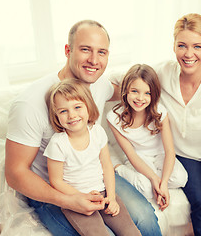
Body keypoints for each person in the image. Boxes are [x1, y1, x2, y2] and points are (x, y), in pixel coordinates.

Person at [5, 20, 161, 236]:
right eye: (85, 49)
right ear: (68, 50)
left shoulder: (99, 83)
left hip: (96, 177)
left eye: (102, 52)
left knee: (143, 218)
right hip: (53, 188)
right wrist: (68, 200)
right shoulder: (29, 103)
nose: (94, 60)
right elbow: (14, 173)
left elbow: (128, 90)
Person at [111, 13, 201, 236]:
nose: (189, 54)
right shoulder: (163, 73)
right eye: (182, 46)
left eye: (197, 46)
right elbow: (125, 78)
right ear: (174, 46)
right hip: (186, 157)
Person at [44, 79, 141, 236]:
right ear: (55, 115)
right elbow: (56, 181)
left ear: (88, 106)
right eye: (63, 111)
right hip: (75, 199)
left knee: (131, 232)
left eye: (77, 107)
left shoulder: (97, 132)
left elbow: (107, 166)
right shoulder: (58, 144)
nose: (72, 115)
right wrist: (82, 197)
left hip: (102, 192)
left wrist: (111, 196)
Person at [106, 64, 188, 211]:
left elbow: (170, 151)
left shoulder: (160, 112)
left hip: (160, 155)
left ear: (154, 94)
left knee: (181, 178)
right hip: (137, 158)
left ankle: (155, 180)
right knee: (147, 189)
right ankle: (118, 168)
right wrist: (154, 179)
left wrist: (162, 184)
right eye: (135, 91)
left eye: (147, 93)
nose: (140, 98)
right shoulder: (113, 118)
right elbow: (131, 154)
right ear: (125, 91)